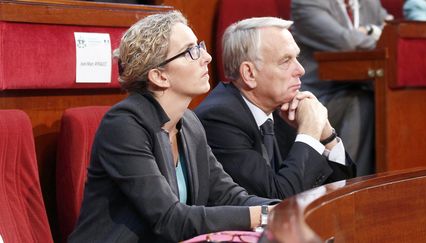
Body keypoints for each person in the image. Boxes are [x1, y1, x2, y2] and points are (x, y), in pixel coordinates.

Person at [68, 11, 278, 243]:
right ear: (159, 76)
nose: (206, 57)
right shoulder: (123, 125)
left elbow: (228, 195)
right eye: (191, 51)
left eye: (200, 46)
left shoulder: (189, 123)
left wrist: (285, 209)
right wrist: (264, 216)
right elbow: (170, 219)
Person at [195, 17, 356, 200]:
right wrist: (309, 132)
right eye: (285, 61)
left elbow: (342, 195)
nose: (301, 70)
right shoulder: (219, 119)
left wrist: (327, 136)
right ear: (249, 73)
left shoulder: (284, 108)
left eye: (297, 57)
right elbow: (276, 201)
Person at [290, 0, 393, 176]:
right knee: (362, 103)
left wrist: (368, 30)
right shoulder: (306, 3)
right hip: (316, 96)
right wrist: (376, 34)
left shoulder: (369, 3)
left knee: (391, 103)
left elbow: (391, 30)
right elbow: (346, 42)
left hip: (363, 86)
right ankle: (350, 186)